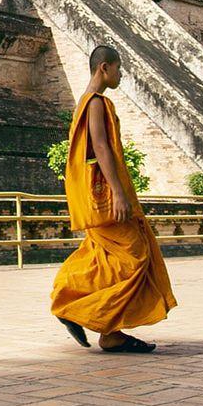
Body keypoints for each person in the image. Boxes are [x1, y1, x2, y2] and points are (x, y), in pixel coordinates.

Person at [51, 44, 177, 353]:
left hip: (97, 199)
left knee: (100, 258)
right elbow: (102, 148)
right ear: (103, 68)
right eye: (118, 68)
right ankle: (72, 305)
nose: (121, 74)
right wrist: (119, 194)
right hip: (108, 199)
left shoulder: (85, 103)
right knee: (135, 255)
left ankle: (111, 331)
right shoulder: (96, 103)